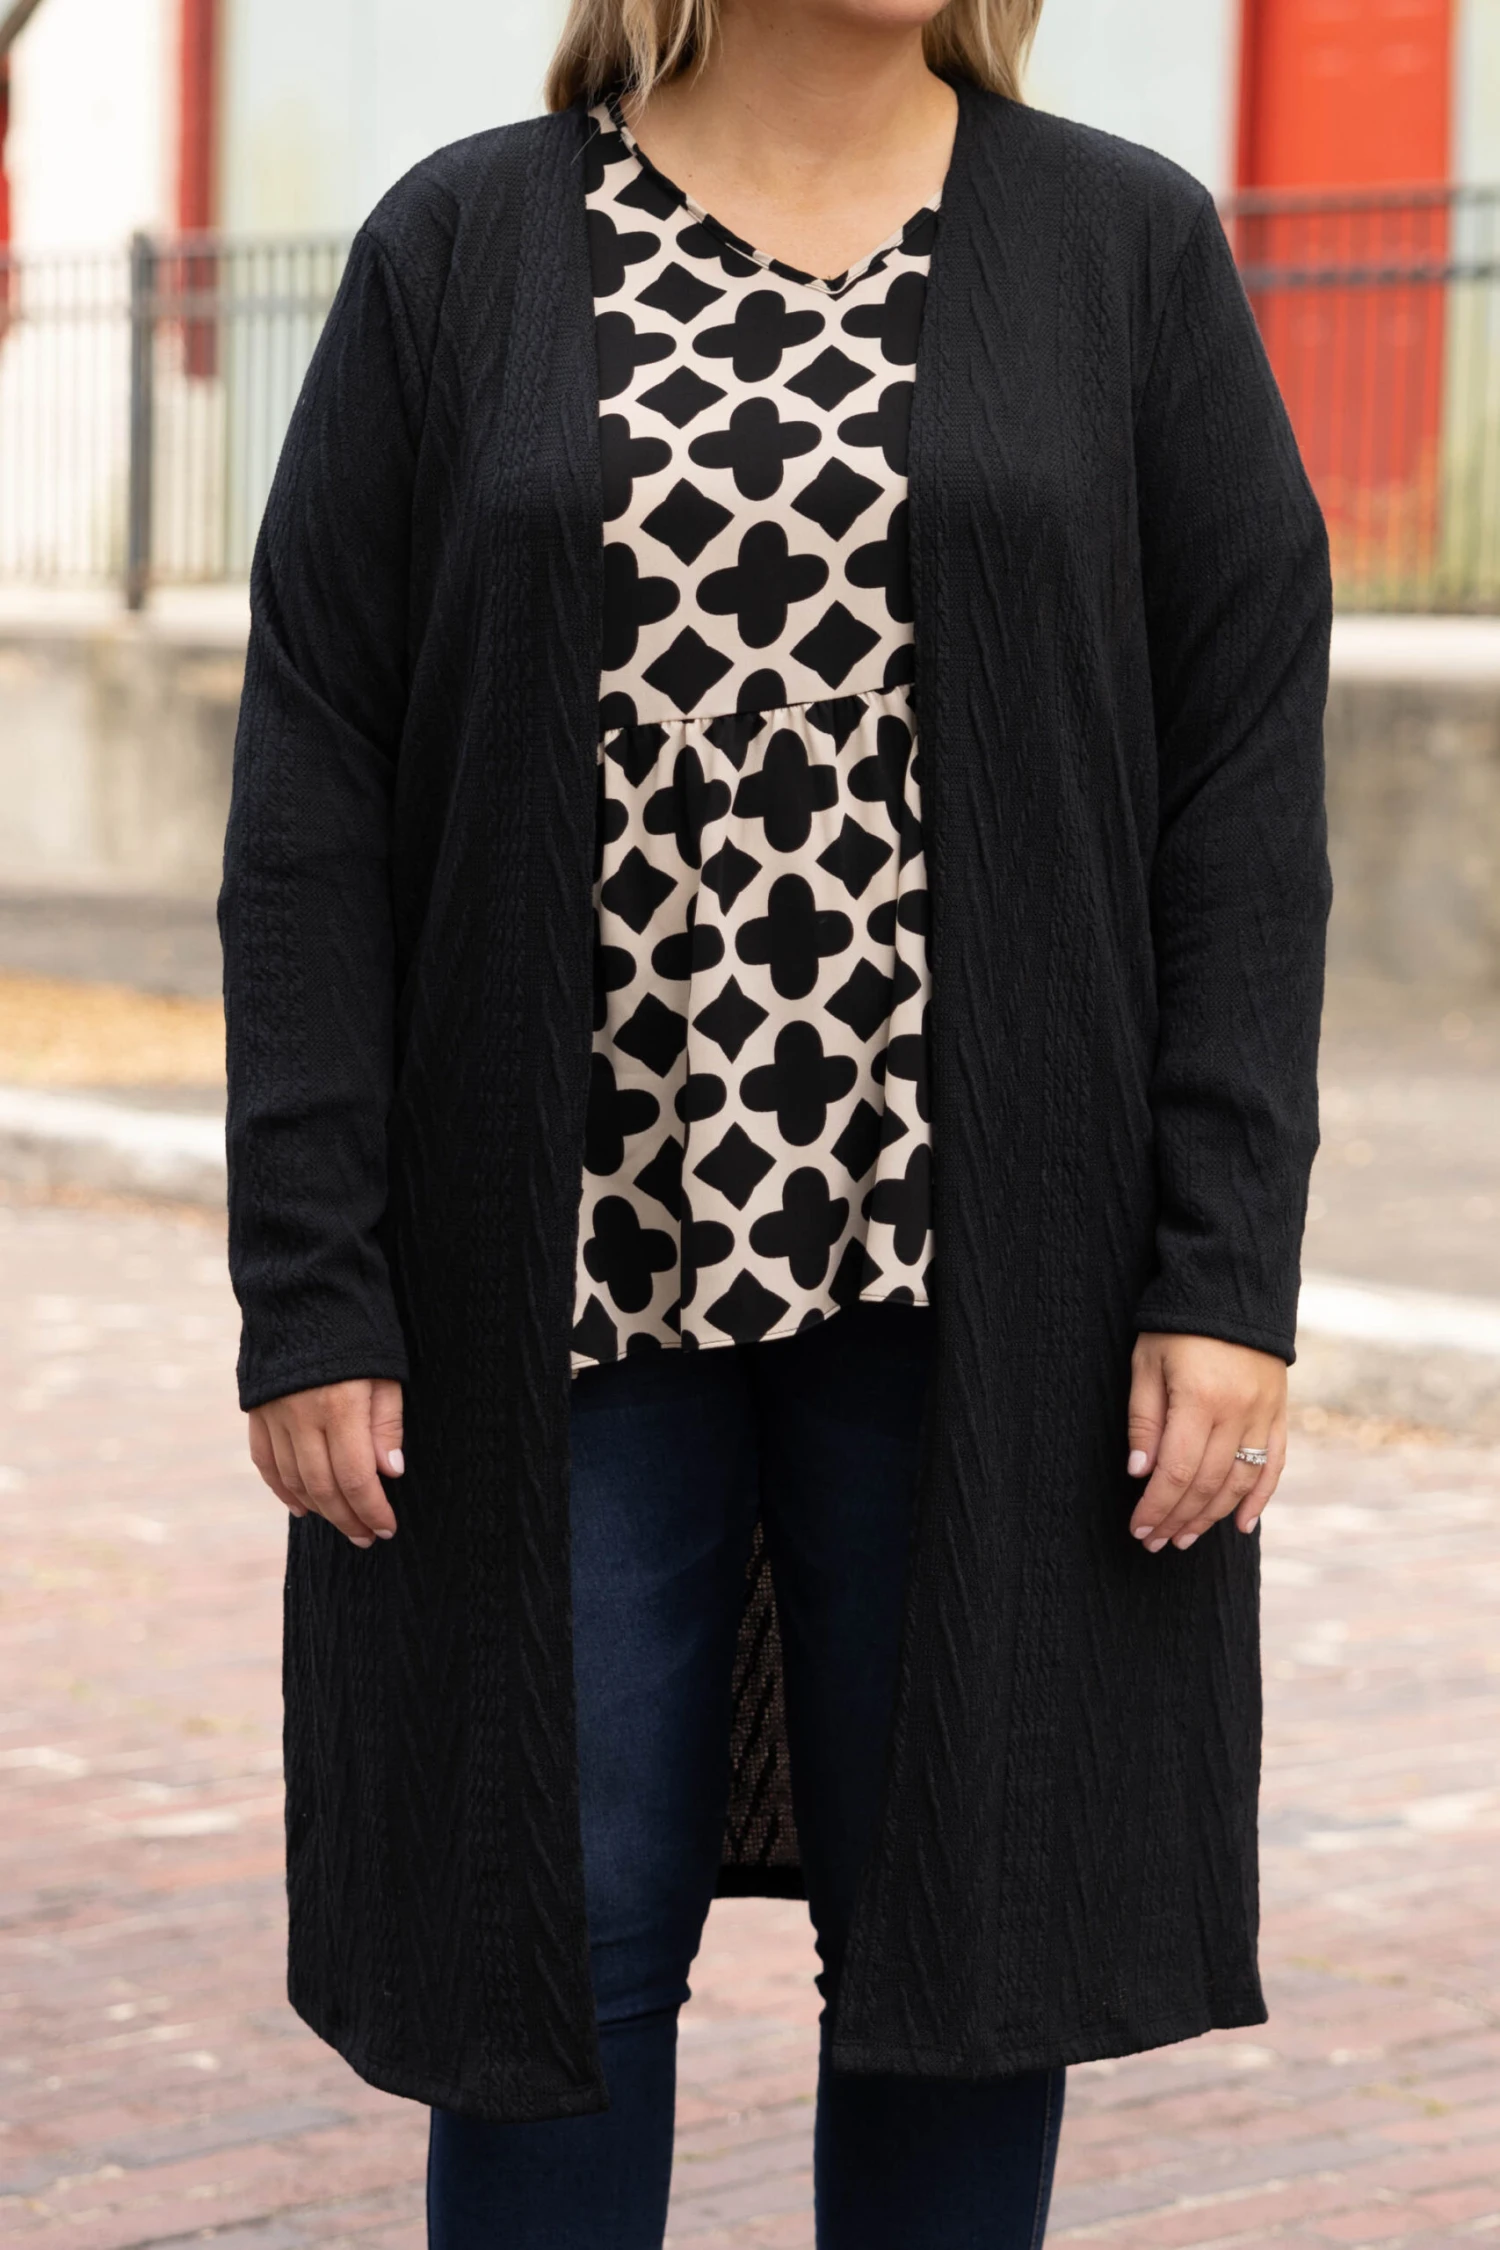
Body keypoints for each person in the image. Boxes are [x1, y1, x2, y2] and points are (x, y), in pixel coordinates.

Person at [218, 0, 1332, 2243]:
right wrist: (312, 1276)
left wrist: (1223, 1269)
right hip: (555, 1274)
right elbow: (315, 788)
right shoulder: (463, 246)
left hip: (988, 1283)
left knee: (962, 1952)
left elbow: (1240, 790)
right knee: (553, 1936)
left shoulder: (1121, 248)